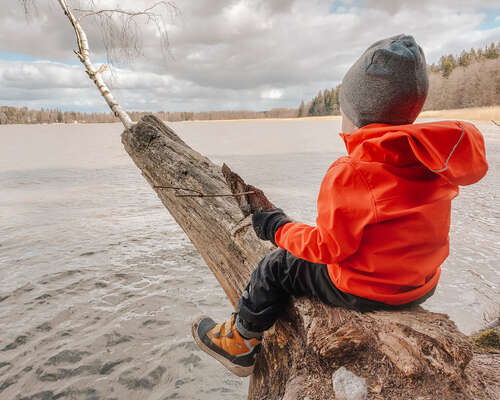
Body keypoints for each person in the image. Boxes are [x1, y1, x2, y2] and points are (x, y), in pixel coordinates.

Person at [191, 34, 488, 377]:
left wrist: (276, 227)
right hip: (420, 284)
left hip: (367, 290)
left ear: (358, 113)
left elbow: (328, 247)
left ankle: (239, 343)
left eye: (344, 112)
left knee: (277, 265)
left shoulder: (353, 171)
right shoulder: (432, 159)